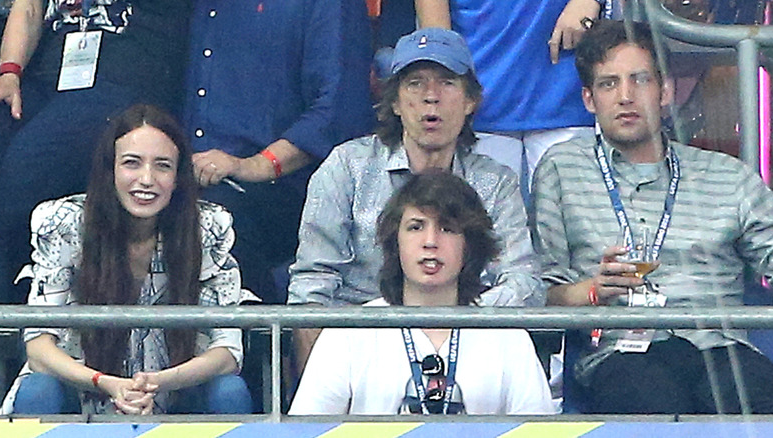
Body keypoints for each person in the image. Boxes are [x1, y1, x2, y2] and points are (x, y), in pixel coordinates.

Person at [531, 20, 773, 414]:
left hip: (720, 347)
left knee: (755, 403)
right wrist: (594, 290)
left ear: (665, 91)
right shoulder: (561, 169)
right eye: (609, 84)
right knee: (650, 402)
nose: (626, 96)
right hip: (622, 353)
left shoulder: (727, 176)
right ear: (589, 100)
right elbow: (543, 294)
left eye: (639, 80)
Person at [0, 104, 255, 415]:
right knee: (38, 391)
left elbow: (227, 351)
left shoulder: (208, 227)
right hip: (83, 390)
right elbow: (39, 349)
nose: (147, 179)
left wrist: (155, 382)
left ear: (178, 176)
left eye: (163, 166)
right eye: (132, 163)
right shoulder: (63, 222)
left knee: (229, 391)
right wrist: (106, 382)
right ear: (111, 170)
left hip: (174, 393)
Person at [289, 172, 554, 415]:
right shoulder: (346, 334)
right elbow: (307, 431)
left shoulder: (508, 338)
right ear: (395, 241)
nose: (430, 242)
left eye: (447, 229)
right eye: (416, 227)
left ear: (470, 245)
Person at [0, 0, 193, 304]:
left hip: (125, 70)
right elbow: (29, 6)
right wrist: (9, 72)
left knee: (25, 173)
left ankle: (13, 316)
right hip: (51, 66)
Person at [183, 0, 375, 303]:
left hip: (279, 189)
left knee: (213, 225)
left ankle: (254, 346)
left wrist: (253, 165)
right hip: (182, 181)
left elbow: (338, 110)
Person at [414, 0, 600, 199]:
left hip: (565, 92)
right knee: (480, 223)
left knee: (575, 220)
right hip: (480, 103)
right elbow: (438, 42)